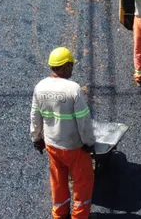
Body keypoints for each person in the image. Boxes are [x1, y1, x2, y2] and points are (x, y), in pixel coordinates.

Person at [31, 47, 96, 219]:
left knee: (58, 181)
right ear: (65, 67)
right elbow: (83, 121)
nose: (72, 70)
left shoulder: (40, 87)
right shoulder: (73, 89)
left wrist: (37, 138)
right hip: (74, 146)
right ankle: (79, 216)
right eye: (71, 66)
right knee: (83, 181)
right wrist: (89, 143)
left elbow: (35, 115)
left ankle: (59, 214)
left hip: (52, 145)